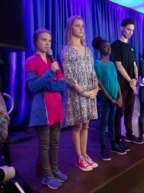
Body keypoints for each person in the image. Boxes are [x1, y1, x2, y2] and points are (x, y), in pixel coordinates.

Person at [25, 29, 67, 189]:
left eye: (49, 40)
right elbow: (33, 86)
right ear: (36, 41)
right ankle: (46, 175)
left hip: (56, 107)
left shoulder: (53, 60)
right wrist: (50, 73)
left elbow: (62, 85)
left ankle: (55, 169)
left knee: (55, 142)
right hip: (43, 110)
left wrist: (48, 82)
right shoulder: (31, 61)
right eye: (43, 39)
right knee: (45, 144)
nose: (47, 43)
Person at [61, 16, 99, 172]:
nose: (81, 28)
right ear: (71, 28)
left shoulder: (88, 50)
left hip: (90, 92)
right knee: (77, 125)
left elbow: (92, 71)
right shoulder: (66, 50)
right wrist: (84, 92)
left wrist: (95, 88)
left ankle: (85, 154)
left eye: (82, 26)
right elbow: (68, 76)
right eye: (77, 26)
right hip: (77, 93)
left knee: (86, 125)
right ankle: (79, 158)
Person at [92, 37, 126, 161]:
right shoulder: (97, 63)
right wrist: (110, 98)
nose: (108, 48)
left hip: (115, 98)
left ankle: (113, 145)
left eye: (109, 46)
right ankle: (103, 149)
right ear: (99, 49)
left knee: (112, 122)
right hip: (106, 99)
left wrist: (120, 96)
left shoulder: (111, 63)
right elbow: (99, 83)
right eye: (105, 46)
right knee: (104, 124)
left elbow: (116, 80)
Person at [110, 18, 142, 146]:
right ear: (121, 27)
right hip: (121, 85)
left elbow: (134, 64)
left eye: (132, 30)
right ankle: (117, 138)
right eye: (128, 29)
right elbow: (118, 65)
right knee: (119, 112)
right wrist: (130, 80)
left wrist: (135, 79)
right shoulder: (115, 45)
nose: (130, 32)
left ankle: (129, 134)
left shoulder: (131, 47)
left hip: (131, 85)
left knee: (130, 110)